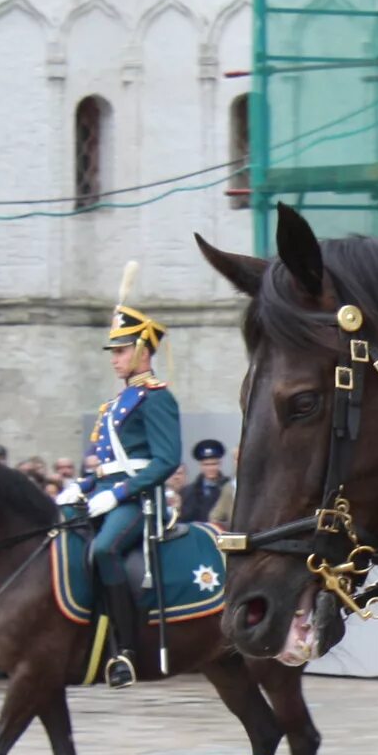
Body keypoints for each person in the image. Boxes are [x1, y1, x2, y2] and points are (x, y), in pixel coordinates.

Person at [72, 290, 182, 687]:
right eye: (113, 352)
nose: (114, 358)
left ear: (142, 350)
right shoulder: (114, 404)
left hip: (137, 499)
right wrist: (81, 486)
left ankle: (126, 650)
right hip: (104, 492)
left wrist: (117, 494)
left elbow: (166, 459)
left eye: (121, 350)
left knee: (105, 549)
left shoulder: (156, 398)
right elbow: (103, 461)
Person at [180, 438, 233, 526]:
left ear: (220, 464)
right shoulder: (187, 492)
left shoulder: (230, 488)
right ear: (200, 465)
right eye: (206, 465)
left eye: (214, 464)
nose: (211, 468)